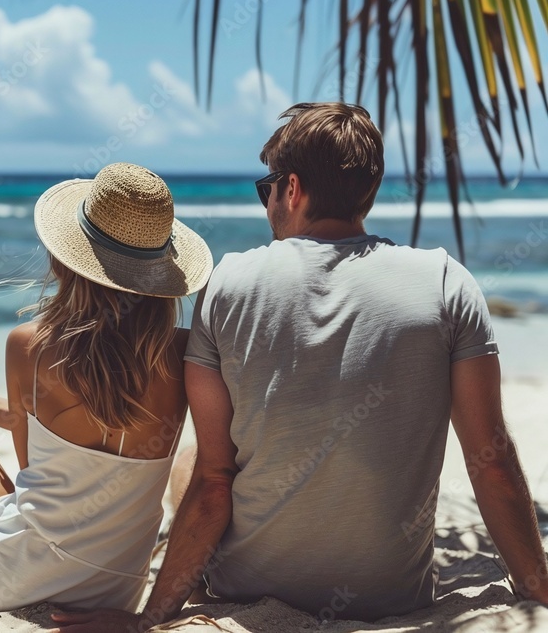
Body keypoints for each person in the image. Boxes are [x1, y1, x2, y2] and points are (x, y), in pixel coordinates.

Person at [52, 103, 548, 631]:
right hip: (392, 598)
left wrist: (152, 616)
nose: (268, 205)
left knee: (199, 456)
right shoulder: (446, 282)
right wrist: (538, 590)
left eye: (267, 190)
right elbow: (488, 461)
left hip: (248, 589)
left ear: (292, 188)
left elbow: (215, 483)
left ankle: (193, 579)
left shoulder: (231, 283)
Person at [0, 162, 214, 611]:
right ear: (160, 274)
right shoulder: (185, 354)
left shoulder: (29, 346)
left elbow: (33, 469)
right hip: (116, 591)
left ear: (64, 259)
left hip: (5, 579)